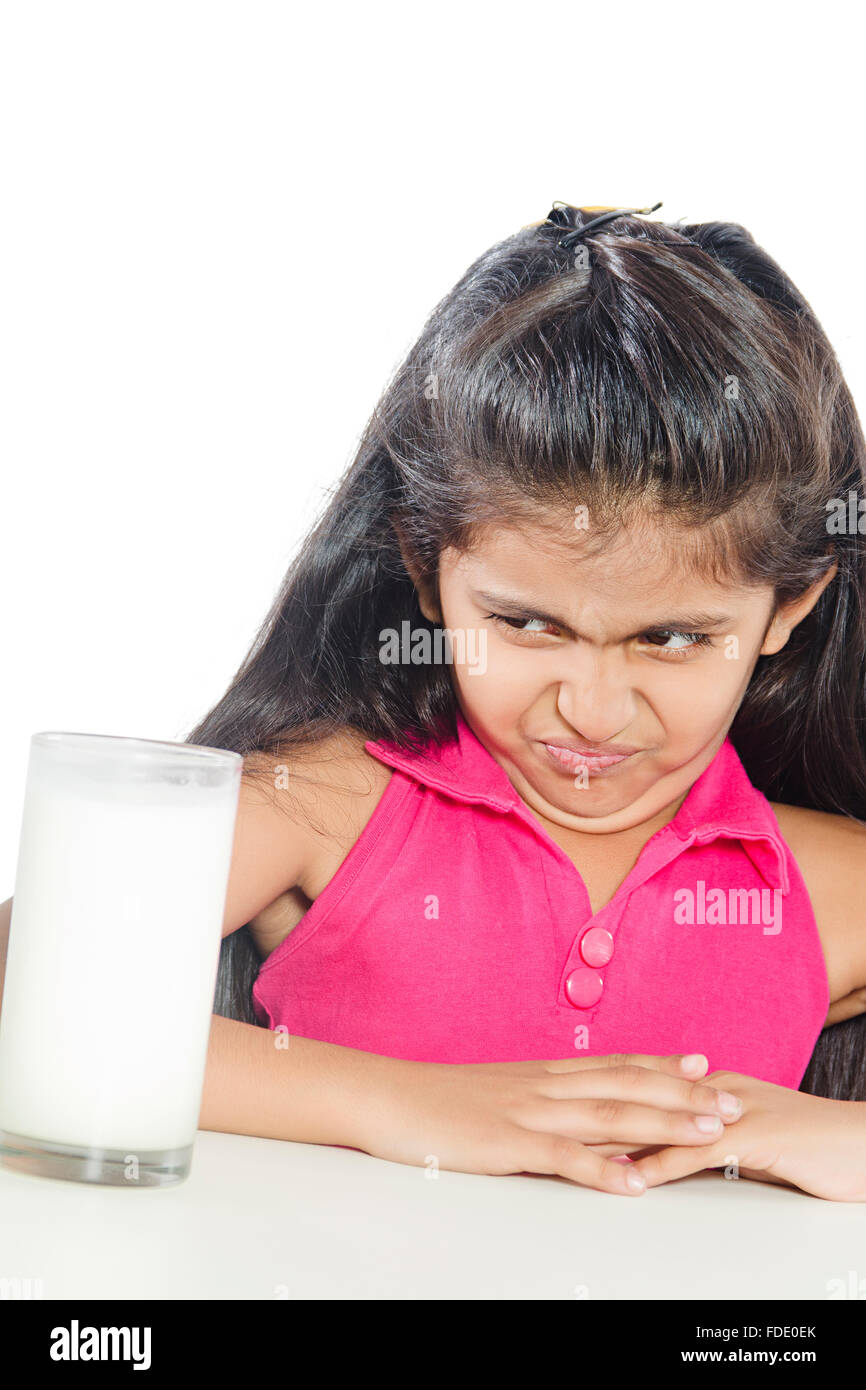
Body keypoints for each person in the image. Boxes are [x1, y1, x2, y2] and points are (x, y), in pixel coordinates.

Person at [187, 202, 866, 1199]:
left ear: (785, 609)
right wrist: (394, 1104)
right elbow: (30, 985)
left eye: (670, 638)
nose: (590, 710)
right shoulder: (322, 804)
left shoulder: (826, 890)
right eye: (526, 625)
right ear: (427, 572)